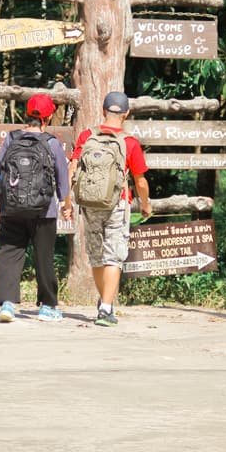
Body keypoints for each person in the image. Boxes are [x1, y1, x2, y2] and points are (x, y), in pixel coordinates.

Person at [0, 93, 72, 323]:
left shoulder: (12, 139)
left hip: (11, 207)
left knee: (9, 253)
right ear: (49, 116)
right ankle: (48, 307)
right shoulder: (51, 143)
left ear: (26, 113)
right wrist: (66, 204)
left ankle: (7, 304)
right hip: (44, 211)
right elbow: (62, 176)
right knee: (44, 257)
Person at [67, 91, 152, 327]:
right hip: (117, 202)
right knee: (113, 255)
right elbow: (140, 181)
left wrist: (68, 201)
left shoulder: (87, 136)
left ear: (103, 111)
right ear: (126, 114)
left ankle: (105, 302)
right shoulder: (129, 142)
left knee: (96, 256)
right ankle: (106, 308)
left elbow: (72, 168)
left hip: (89, 202)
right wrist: (145, 205)